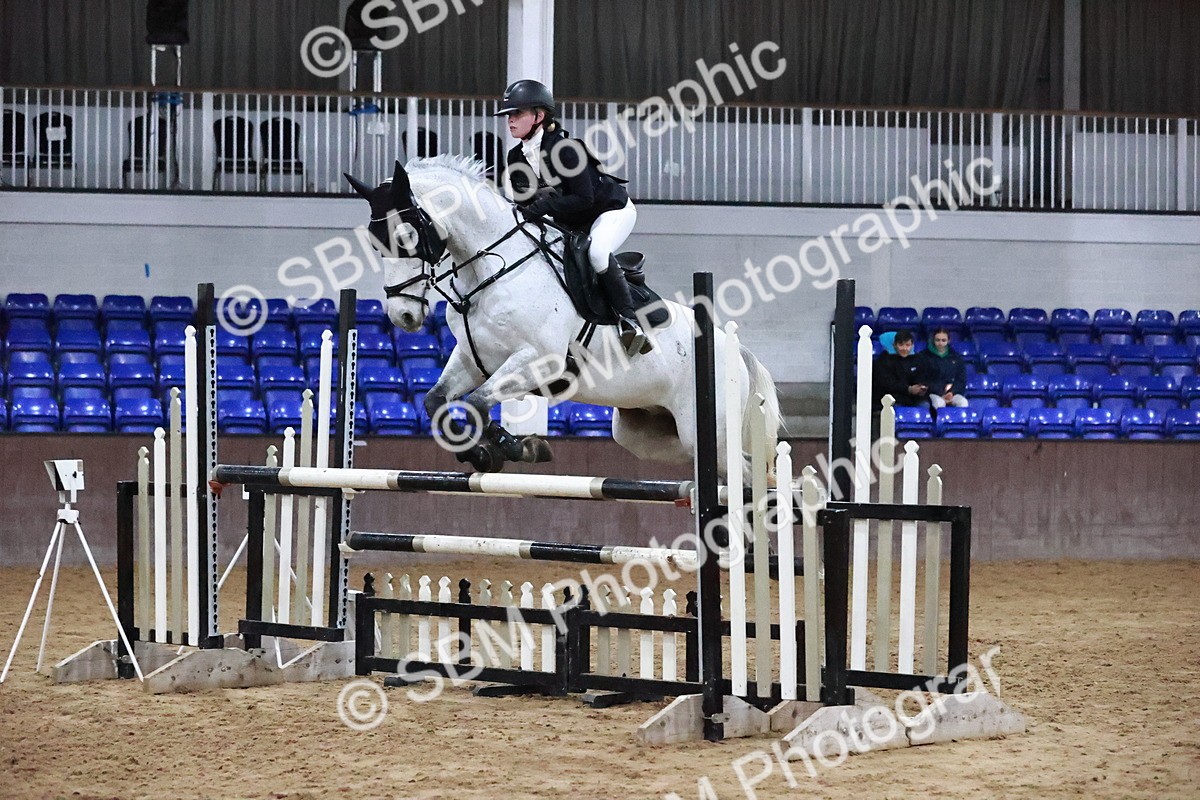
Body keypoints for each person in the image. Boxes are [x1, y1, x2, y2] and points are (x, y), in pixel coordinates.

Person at [495, 79, 650, 357]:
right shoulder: (516, 156)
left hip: (609, 211)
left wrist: (544, 205)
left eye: (517, 113)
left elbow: (584, 199)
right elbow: (525, 203)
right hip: (571, 219)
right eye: (508, 115)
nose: (510, 120)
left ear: (539, 116)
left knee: (598, 253)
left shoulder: (566, 149)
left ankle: (631, 322)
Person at [872, 329, 929, 409]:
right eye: (901, 345)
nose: (904, 348)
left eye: (907, 345)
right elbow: (886, 383)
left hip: (915, 398)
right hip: (893, 398)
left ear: (912, 345)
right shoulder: (884, 360)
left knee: (925, 406)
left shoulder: (918, 359)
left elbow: (923, 376)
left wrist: (921, 387)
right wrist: (908, 389)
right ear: (895, 345)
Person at [915, 327, 969, 408]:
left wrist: (952, 392)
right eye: (937, 340)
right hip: (932, 393)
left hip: (952, 393)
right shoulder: (923, 356)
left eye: (943, 340)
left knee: (963, 402)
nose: (940, 343)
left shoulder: (956, 357)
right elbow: (922, 379)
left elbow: (961, 379)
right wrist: (940, 393)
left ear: (948, 340)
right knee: (939, 403)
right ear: (933, 340)